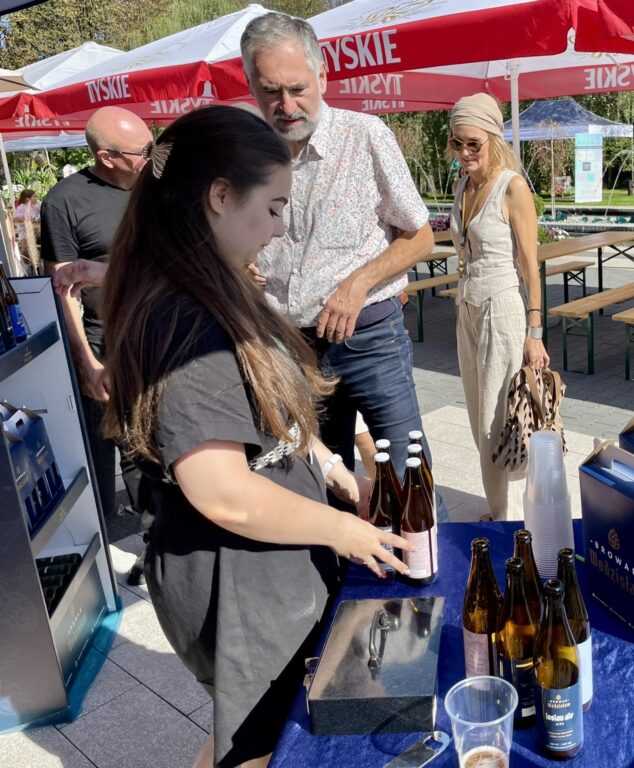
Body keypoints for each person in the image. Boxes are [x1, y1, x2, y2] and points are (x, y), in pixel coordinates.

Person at [97, 106, 409, 768]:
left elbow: (276, 410)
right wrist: (345, 532)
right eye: (273, 207)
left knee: (255, 725)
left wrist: (332, 469)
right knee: (261, 739)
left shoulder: (218, 286)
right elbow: (221, 491)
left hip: (268, 562)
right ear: (220, 196)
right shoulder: (184, 321)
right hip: (236, 579)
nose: (279, 228)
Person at [240, 12, 438, 496]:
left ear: (323, 77)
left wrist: (357, 285)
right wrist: (239, 266)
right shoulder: (246, 153)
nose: (287, 105)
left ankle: (427, 546)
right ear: (251, 87)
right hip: (288, 347)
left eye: (297, 88)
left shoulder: (365, 135)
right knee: (320, 484)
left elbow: (420, 237)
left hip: (369, 338)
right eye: (271, 92)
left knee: (408, 477)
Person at [41, 106, 154, 584]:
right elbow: (63, 288)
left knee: (151, 453)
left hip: (159, 340)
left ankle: (158, 551)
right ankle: (98, 564)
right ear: (106, 156)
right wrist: (86, 361)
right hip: (103, 345)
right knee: (100, 454)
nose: (152, 156)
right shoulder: (64, 202)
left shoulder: (158, 187)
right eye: (142, 150)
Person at [447, 93, 549, 521]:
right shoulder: (462, 187)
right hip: (468, 308)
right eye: (457, 143)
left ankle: (516, 517)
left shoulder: (512, 187)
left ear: (493, 138)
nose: (465, 152)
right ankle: (499, 508)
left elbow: (530, 265)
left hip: (502, 309)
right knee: (478, 416)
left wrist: (535, 333)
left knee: (502, 416)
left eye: (474, 143)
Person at [13, 188, 41, 274]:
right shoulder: (21, 208)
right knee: (25, 248)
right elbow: (16, 218)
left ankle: (37, 265)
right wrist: (27, 218)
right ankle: (27, 265)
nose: (36, 198)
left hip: (35, 231)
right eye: (34, 197)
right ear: (27, 199)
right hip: (24, 232)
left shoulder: (35, 208)